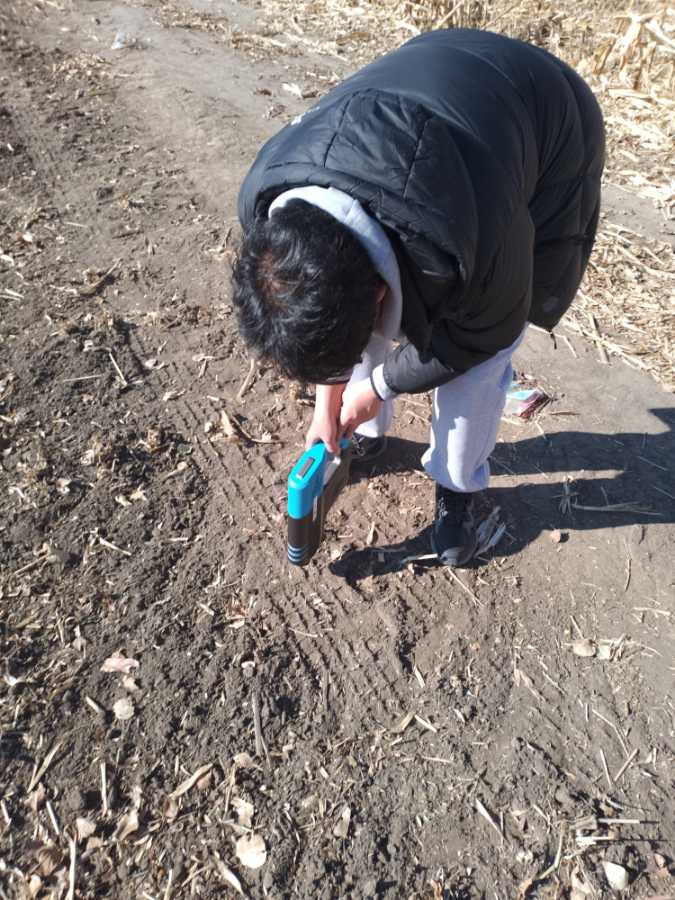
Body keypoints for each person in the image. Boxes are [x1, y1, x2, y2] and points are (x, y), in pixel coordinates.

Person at [232, 28, 605, 567]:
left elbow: (478, 339)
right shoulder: (266, 201)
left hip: (548, 110)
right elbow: (324, 300)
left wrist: (379, 384)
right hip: (433, 86)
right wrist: (327, 407)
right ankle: (365, 433)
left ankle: (457, 484)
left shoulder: (476, 241)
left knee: (475, 365)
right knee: (349, 315)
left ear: (380, 290)